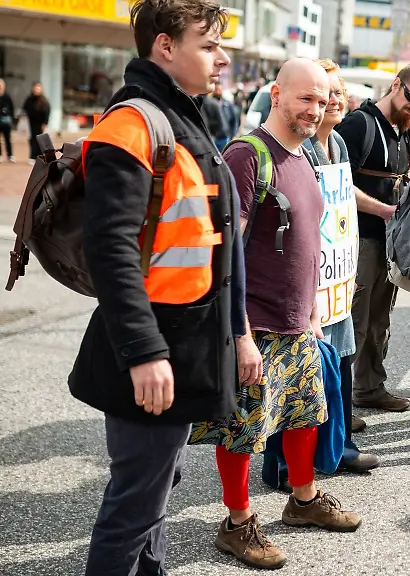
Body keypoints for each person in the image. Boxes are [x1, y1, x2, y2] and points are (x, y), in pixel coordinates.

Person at [70, 1, 244, 573]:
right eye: (208, 45)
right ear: (165, 48)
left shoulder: (185, 117)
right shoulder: (133, 124)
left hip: (187, 343)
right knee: (135, 505)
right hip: (153, 348)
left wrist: (238, 332)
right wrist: (144, 352)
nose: (222, 58)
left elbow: (217, 245)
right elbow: (111, 249)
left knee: (155, 492)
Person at [190, 58, 360, 570]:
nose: (317, 108)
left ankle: (302, 501)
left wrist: (311, 308)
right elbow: (225, 255)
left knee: (306, 413)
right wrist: (239, 335)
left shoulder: (306, 154)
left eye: (323, 98)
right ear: (276, 93)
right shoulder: (246, 155)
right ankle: (237, 523)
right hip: (255, 325)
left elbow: (308, 239)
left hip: (297, 321)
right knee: (243, 428)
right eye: (305, 97)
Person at [261, 59, 379, 494]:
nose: (330, 101)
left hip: (334, 273)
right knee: (296, 374)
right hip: (307, 280)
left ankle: (334, 447)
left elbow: (342, 199)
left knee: (337, 360)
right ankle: (284, 465)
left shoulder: (338, 148)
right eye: (317, 95)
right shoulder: (294, 146)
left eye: (333, 94)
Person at [338, 62, 410, 412]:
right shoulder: (359, 124)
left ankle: (370, 388)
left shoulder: (405, 130)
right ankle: (339, 408)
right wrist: (386, 211)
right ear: (396, 86)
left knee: (380, 320)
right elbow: (337, 185)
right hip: (359, 239)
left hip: (391, 242)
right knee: (355, 324)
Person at [20, 82, 50, 163]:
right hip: (31, 123)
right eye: (35, 88)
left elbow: (47, 112)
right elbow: (24, 109)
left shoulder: (44, 101)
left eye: (38, 88)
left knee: (40, 140)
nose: (36, 90)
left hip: (40, 123)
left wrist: (45, 123)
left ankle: (40, 156)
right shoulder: (29, 99)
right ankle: (32, 156)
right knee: (32, 139)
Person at [0, 79, 13, 162]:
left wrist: (10, 117)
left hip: (6, 122)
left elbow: (12, 108)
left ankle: (10, 155)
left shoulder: (7, 96)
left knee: (7, 138)